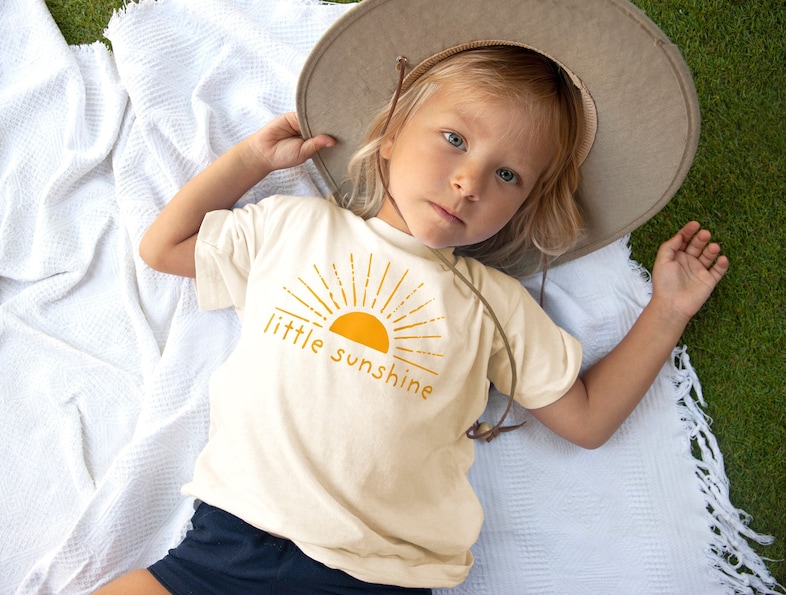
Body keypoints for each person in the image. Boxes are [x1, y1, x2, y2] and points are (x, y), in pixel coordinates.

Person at [96, 6, 728, 595]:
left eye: (507, 175)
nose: (469, 181)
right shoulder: (294, 226)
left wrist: (667, 311)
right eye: (454, 138)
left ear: (525, 204)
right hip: (233, 539)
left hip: (377, 573)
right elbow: (165, 247)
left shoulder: (494, 306)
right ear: (392, 133)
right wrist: (247, 162)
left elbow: (587, 420)